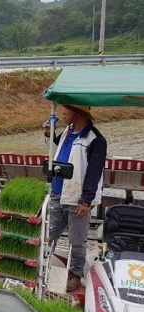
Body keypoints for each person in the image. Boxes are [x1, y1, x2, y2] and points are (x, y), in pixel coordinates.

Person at [43, 104, 107, 291]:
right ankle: (43, 264)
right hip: (57, 193)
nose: (62, 113)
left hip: (77, 199)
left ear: (77, 114)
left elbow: (94, 172)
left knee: (77, 240)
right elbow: (56, 152)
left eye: (66, 110)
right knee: (49, 235)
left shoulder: (94, 139)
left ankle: (75, 275)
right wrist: (49, 133)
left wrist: (86, 200)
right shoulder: (66, 133)